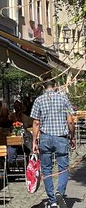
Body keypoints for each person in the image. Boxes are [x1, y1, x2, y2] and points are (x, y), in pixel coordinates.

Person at [31, 78, 75, 208]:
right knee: (63, 168)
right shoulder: (63, 99)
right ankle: (59, 192)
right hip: (61, 138)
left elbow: (36, 122)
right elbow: (70, 121)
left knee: (46, 169)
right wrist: (72, 137)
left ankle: (52, 200)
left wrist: (34, 141)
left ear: (44, 88)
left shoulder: (38, 100)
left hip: (45, 138)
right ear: (55, 86)